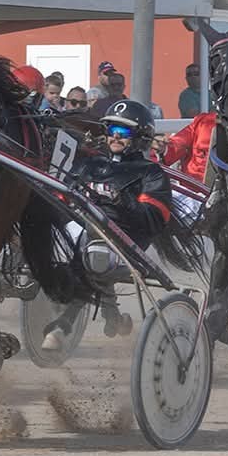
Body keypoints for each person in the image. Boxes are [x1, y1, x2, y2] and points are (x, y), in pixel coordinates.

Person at [41, 99, 173, 351]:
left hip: (128, 243)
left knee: (96, 248)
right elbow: (61, 201)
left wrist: (122, 201)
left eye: (122, 132)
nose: (114, 136)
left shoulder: (150, 173)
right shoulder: (90, 164)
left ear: (141, 136)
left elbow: (153, 220)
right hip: (85, 235)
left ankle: (64, 324)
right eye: (110, 130)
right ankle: (112, 316)